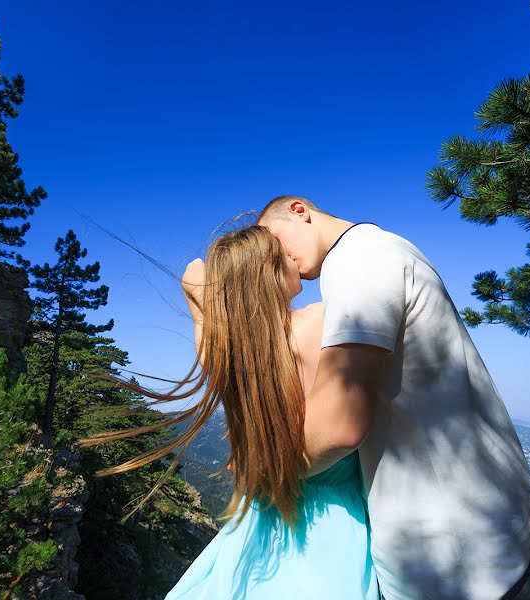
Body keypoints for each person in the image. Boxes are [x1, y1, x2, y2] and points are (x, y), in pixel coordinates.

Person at [257, 195, 530, 600]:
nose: (276, 256)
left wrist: (266, 473)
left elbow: (338, 425)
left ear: (299, 210)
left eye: (274, 239)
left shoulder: (360, 260)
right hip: (483, 536)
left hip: (454, 559)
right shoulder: (381, 252)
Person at [78, 225, 379, 599]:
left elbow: (193, 276)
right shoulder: (320, 320)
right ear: (267, 271)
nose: (293, 259)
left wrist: (214, 289)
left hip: (261, 516)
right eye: (282, 253)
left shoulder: (223, 352)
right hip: (328, 519)